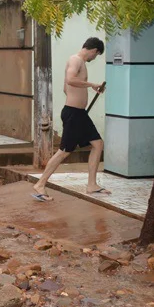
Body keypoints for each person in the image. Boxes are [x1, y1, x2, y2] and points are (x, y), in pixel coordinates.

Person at [32, 37, 107, 201]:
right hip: (73, 114)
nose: (94, 58)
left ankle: (92, 185)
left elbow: (66, 89)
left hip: (79, 114)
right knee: (64, 152)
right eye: (96, 55)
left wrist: (81, 95)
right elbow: (70, 80)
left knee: (98, 144)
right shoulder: (76, 60)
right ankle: (40, 184)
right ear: (94, 50)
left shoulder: (80, 63)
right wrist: (91, 85)